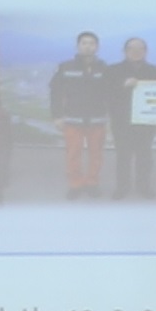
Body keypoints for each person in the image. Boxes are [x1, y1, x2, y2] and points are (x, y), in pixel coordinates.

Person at [46, 31, 117, 200]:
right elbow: (55, 92)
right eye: (84, 43)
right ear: (78, 46)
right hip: (73, 120)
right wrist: (57, 116)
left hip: (97, 120)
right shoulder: (65, 67)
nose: (88, 46)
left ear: (97, 47)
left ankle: (92, 183)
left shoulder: (104, 68)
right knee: (73, 154)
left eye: (92, 43)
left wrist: (111, 119)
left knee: (96, 155)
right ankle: (75, 184)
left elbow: (111, 95)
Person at [111, 35, 156, 198]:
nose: (136, 52)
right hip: (121, 121)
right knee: (123, 156)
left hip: (146, 122)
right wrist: (123, 85)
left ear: (146, 51)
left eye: (140, 49)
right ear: (124, 51)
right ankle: (122, 187)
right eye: (131, 49)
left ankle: (144, 186)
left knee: (144, 155)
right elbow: (105, 93)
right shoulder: (113, 71)